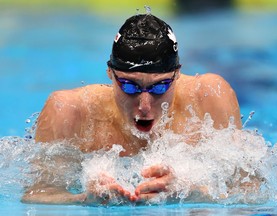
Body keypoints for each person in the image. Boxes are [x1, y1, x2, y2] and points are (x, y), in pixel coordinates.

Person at [22, 13, 242, 205]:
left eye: (160, 86)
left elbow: (252, 190)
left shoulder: (208, 97)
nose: (144, 106)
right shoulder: (70, 111)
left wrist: (194, 192)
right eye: (129, 86)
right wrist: (82, 199)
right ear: (110, 73)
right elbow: (37, 195)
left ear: (177, 74)